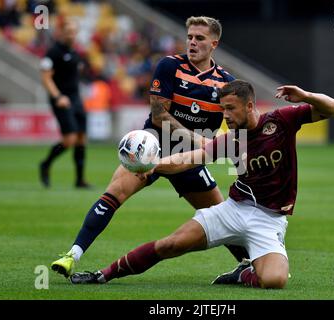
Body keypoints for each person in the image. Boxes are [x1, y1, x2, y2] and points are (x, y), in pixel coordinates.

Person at [69, 79, 334, 288]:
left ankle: (244, 273)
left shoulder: (281, 121)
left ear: (249, 106)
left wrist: (305, 96)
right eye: (223, 109)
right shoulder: (231, 139)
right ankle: (102, 275)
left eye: (231, 109)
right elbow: (191, 158)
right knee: (170, 245)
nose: (226, 116)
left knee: (275, 281)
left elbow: (333, 108)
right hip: (233, 210)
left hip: (269, 221)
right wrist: (154, 166)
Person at [51, 16, 249, 278]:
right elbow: (159, 116)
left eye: (199, 38)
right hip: (151, 148)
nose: (192, 42)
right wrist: (199, 139)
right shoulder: (169, 66)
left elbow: (235, 121)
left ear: (214, 43)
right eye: (189, 36)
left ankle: (250, 265)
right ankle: (71, 256)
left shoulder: (226, 82)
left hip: (189, 159)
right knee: (114, 193)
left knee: (221, 216)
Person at [39, 18, 91, 189]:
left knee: (82, 138)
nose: (71, 34)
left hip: (76, 99)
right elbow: (46, 79)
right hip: (62, 100)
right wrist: (58, 96)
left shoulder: (76, 53)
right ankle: (45, 164)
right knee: (69, 139)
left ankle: (79, 180)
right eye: (68, 31)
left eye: (73, 31)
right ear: (61, 32)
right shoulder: (53, 53)